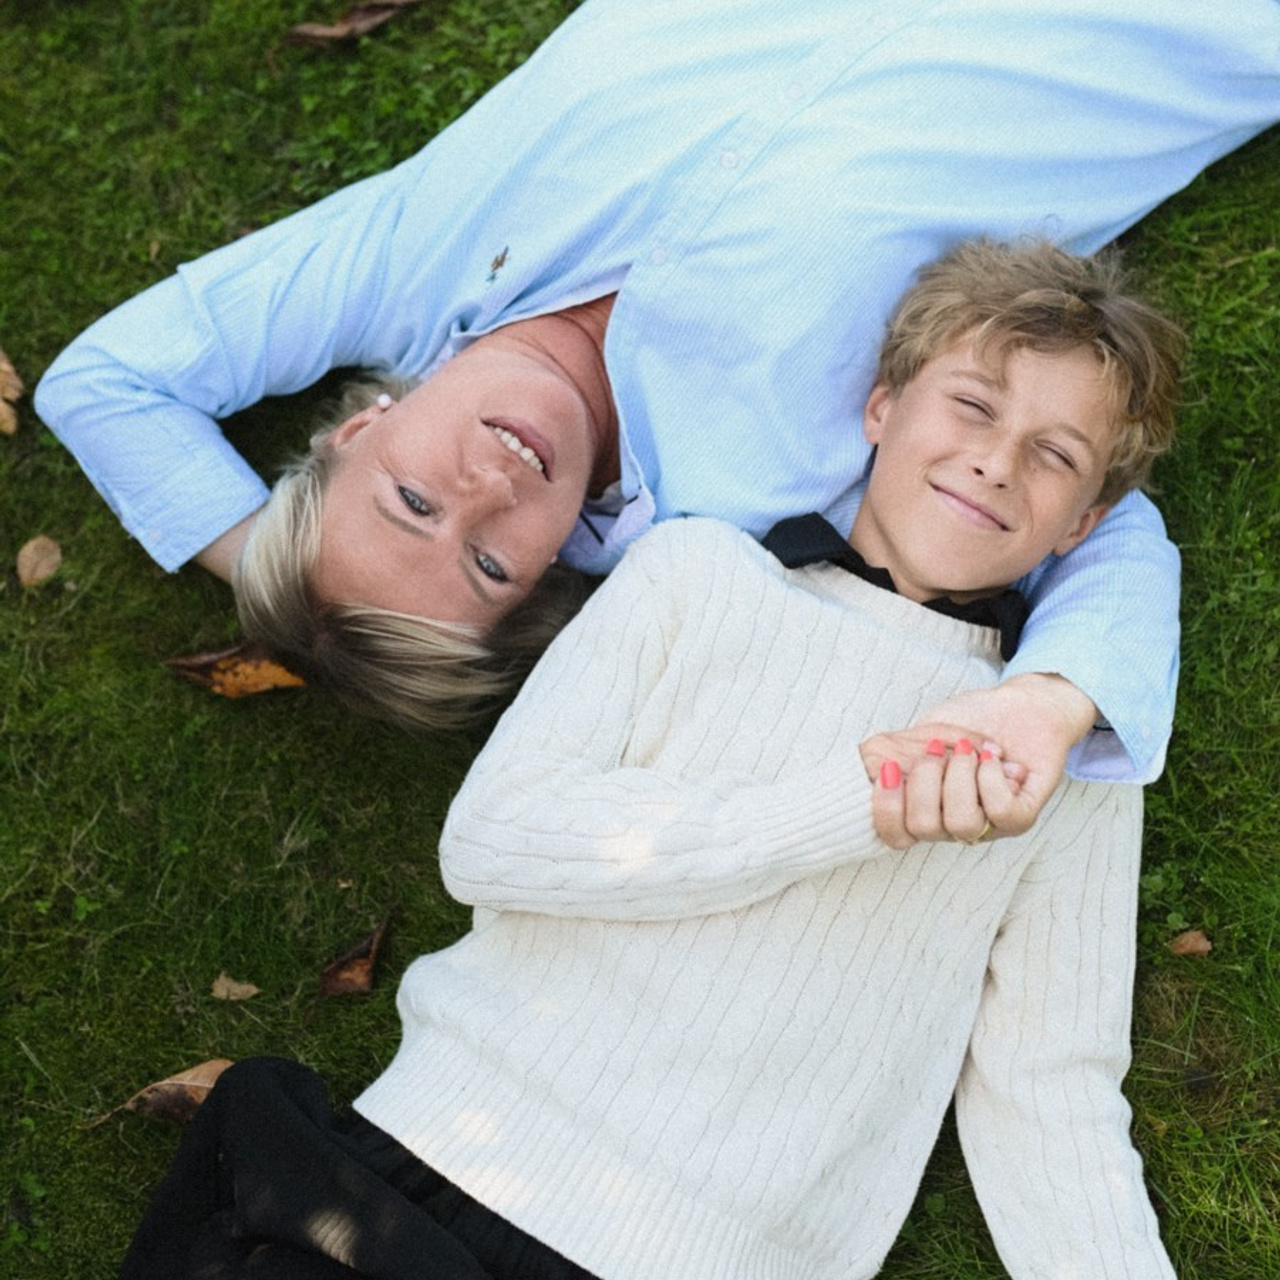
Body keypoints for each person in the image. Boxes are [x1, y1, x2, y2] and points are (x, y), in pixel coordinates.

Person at [118, 239, 1185, 1279]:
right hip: (424, 1171)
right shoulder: (694, 575)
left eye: (1055, 455)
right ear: (880, 407)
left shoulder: (1068, 750)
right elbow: (494, 839)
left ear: (1081, 525)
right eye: (972, 405)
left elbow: (1049, 1083)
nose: (996, 460)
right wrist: (846, 805)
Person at [34, 1, 1280, 801]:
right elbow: (1086, 520)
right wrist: (1053, 699)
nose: (485, 491)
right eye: (487, 563)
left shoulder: (403, 265)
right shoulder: (739, 503)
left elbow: (106, 382)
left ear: (359, 428)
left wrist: (298, 579)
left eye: (409, 499)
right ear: (547, 580)